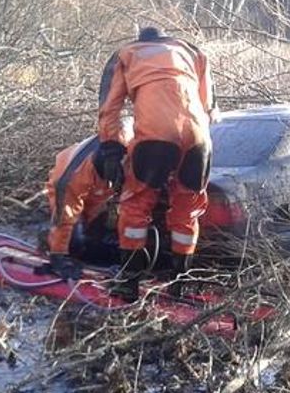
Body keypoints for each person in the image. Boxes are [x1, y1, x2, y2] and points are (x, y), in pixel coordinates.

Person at [97, 26, 217, 298]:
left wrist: (112, 150)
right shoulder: (193, 52)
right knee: (187, 210)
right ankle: (180, 283)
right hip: (200, 138)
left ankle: (129, 282)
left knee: (135, 206)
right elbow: (208, 105)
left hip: (156, 133)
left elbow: (109, 108)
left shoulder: (127, 54)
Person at [42, 136, 128, 280]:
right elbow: (65, 217)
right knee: (75, 243)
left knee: (99, 238)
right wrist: (58, 257)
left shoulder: (135, 146)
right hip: (73, 186)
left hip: (101, 191)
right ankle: (47, 237)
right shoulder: (70, 178)